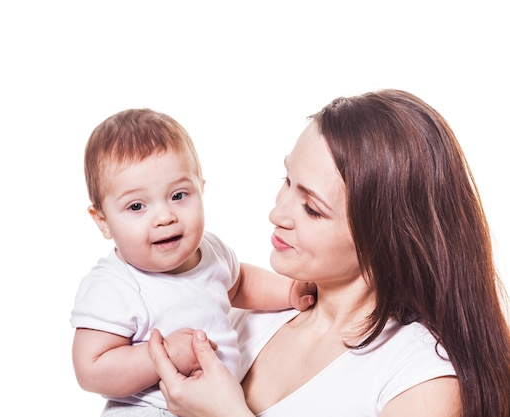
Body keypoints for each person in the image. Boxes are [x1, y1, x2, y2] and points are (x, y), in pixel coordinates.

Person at [149, 89, 510, 417]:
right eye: (286, 181)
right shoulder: (250, 314)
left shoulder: (423, 380)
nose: (276, 214)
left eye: (312, 209)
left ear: (386, 237)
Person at [70, 109, 316, 416]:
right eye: (136, 206)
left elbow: (240, 283)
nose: (164, 216)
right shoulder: (114, 286)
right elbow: (91, 369)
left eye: (178, 195)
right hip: (149, 409)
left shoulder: (210, 250)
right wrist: (164, 354)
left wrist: (289, 290)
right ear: (103, 221)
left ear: (201, 187)